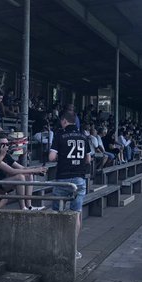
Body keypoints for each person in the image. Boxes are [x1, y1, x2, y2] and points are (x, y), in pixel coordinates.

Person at [48, 108, 91, 254]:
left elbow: (51, 157)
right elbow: (88, 159)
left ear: (64, 121)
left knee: (56, 212)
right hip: (79, 178)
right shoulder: (84, 136)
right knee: (76, 213)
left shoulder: (60, 135)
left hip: (63, 178)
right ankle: (73, 249)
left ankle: (56, 246)